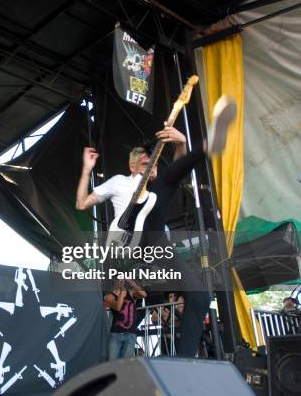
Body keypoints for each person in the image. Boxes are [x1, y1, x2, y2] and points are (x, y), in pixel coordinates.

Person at [76, 98, 235, 358]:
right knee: (155, 189)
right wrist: (86, 169)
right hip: (127, 244)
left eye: (153, 164)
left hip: (156, 241)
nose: (149, 168)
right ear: (131, 166)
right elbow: (82, 203)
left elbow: (176, 168)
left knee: (200, 296)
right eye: (143, 164)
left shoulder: (160, 184)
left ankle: (184, 360)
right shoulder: (118, 182)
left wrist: (182, 142)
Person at [104, 279, 147, 360]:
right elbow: (118, 307)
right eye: (119, 279)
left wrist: (133, 284)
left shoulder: (131, 293)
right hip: (116, 334)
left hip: (130, 334)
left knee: (125, 363)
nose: (122, 281)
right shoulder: (110, 296)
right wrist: (121, 293)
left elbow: (144, 295)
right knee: (112, 362)